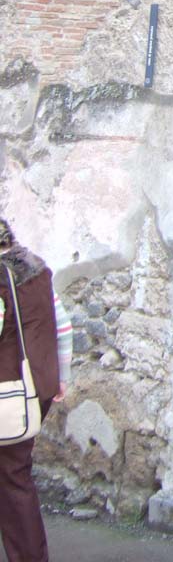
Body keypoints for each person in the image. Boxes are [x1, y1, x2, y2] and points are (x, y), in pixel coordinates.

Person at [0, 217, 72, 562]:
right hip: (33, 393)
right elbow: (65, 326)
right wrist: (61, 376)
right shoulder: (37, 272)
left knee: (12, 483)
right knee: (16, 478)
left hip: (6, 397)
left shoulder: (3, 281)